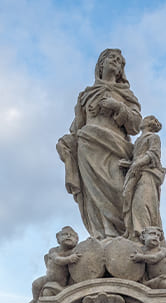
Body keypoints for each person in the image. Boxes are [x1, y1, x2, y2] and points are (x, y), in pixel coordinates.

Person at [57, 48, 142, 239]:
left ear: (121, 70)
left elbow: (136, 125)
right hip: (88, 146)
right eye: (111, 58)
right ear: (101, 64)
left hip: (116, 147)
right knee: (94, 194)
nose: (115, 61)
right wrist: (66, 143)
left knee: (120, 190)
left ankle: (126, 233)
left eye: (119, 60)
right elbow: (77, 126)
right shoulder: (85, 95)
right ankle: (103, 233)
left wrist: (117, 106)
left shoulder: (125, 94)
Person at [120, 115, 165, 241]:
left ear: (150, 123)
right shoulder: (138, 140)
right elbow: (137, 158)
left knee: (143, 202)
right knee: (129, 200)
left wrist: (137, 163)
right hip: (135, 173)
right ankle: (132, 231)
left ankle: (144, 234)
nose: (142, 120)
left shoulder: (153, 137)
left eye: (145, 119)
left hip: (147, 174)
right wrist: (128, 164)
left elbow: (153, 154)